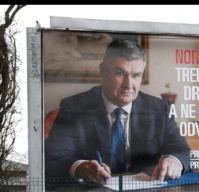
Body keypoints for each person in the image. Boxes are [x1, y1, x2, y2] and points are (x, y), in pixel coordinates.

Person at [45, 38, 191, 184]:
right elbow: (53, 158)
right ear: (102, 71)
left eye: (136, 76)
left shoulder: (158, 109)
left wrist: (173, 160)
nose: (128, 85)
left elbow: (185, 153)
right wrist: (80, 167)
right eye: (120, 73)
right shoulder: (74, 107)